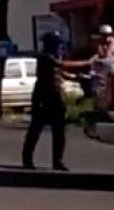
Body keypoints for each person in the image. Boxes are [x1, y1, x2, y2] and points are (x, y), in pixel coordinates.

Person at [22, 31, 91, 172]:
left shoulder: (53, 56)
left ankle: (57, 161)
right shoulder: (44, 57)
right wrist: (87, 62)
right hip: (42, 97)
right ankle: (27, 158)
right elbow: (62, 65)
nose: (59, 46)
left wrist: (77, 77)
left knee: (59, 130)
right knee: (36, 129)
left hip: (55, 96)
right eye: (56, 44)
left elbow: (61, 73)